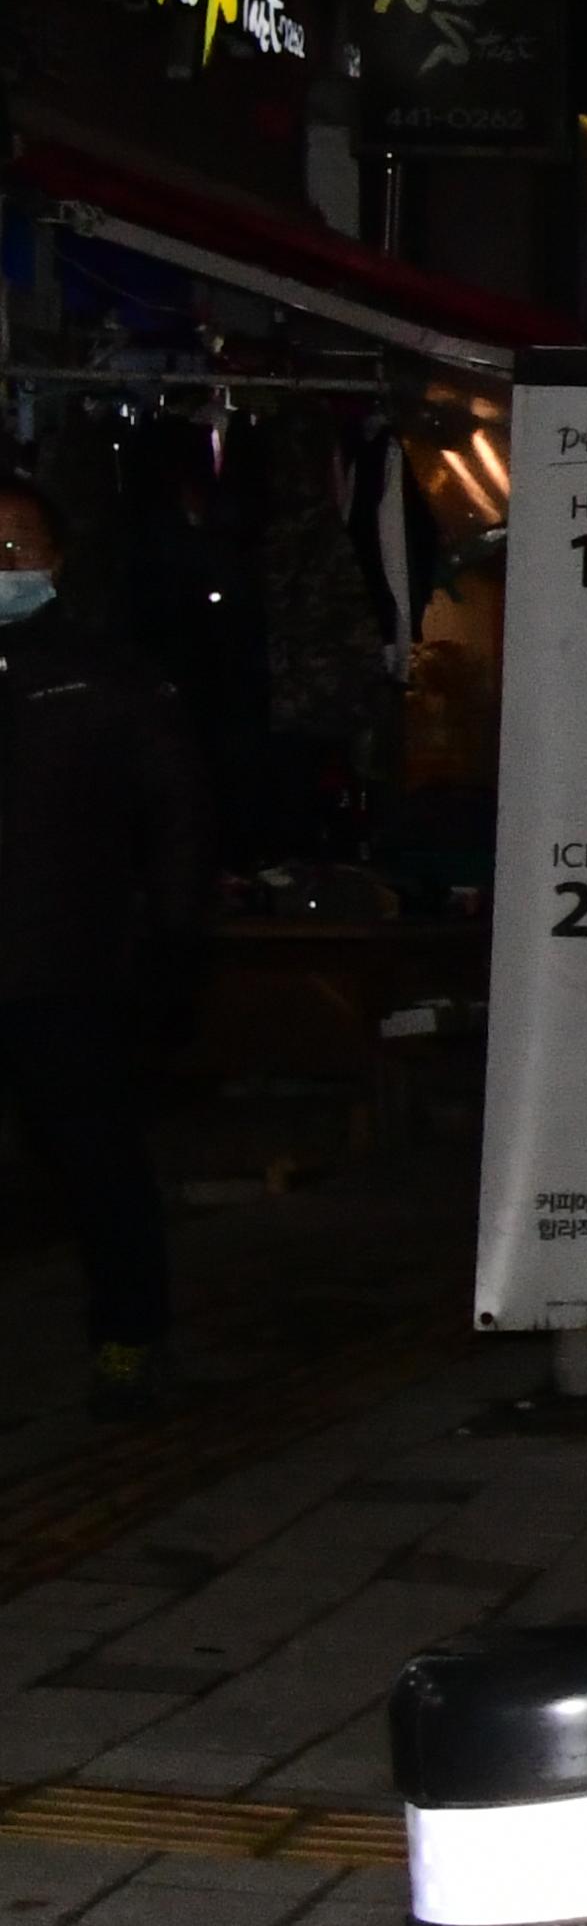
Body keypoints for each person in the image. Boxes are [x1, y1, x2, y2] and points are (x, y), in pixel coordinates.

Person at [0, 477, 203, 1419]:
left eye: (16, 550)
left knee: (97, 1163)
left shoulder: (102, 673)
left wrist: (173, 938)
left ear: (56, 560)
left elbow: (175, 813)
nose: (2, 567)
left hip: (64, 967)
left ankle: (130, 1337)